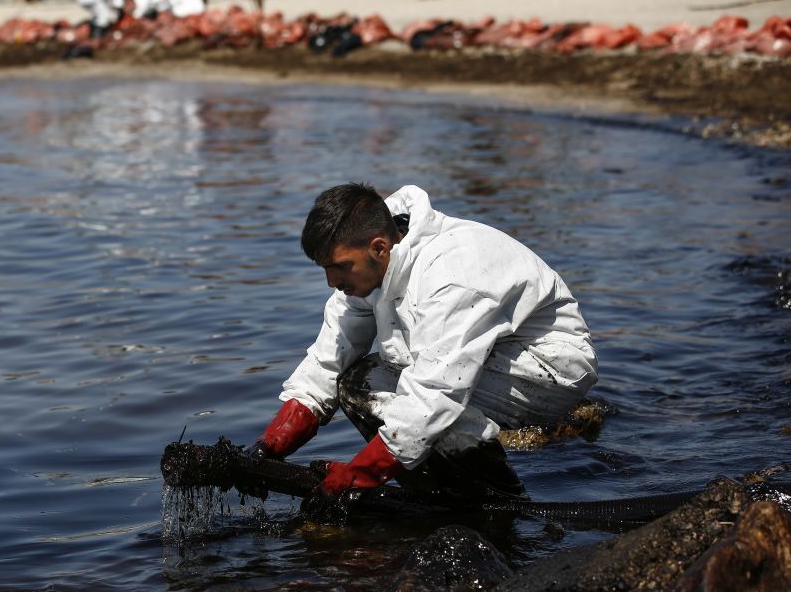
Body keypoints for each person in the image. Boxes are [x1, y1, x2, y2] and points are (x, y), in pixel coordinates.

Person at [251, 184, 598, 501]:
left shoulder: (451, 274)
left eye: (339, 267)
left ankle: (498, 495)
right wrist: (270, 447)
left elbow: (436, 392)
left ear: (379, 247)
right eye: (324, 268)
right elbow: (332, 353)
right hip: (488, 353)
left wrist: (359, 476)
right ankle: (438, 488)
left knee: (403, 395)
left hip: (550, 363)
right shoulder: (367, 267)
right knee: (358, 382)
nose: (331, 281)